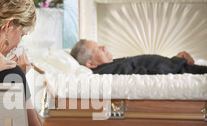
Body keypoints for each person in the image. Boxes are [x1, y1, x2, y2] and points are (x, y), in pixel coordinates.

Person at [70, 39, 207, 75]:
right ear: (91, 64)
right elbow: (153, 76)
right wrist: (176, 61)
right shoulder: (110, 71)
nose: (104, 47)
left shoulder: (112, 65)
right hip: (180, 70)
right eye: (98, 49)